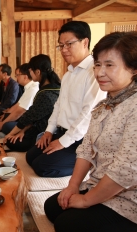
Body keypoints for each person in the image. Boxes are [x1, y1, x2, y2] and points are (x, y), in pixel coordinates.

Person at [44, 31, 137, 232]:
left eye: (109, 65)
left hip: (129, 197)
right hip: (99, 185)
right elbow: (85, 149)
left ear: (133, 69)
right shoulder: (103, 107)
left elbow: (127, 170)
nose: (100, 72)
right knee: (53, 207)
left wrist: (86, 201)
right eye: (97, 64)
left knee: (67, 227)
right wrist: (73, 186)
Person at [26, 21, 106, 177]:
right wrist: (49, 132)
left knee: (41, 167)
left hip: (80, 140)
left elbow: (88, 114)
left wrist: (63, 142)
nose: (64, 50)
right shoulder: (69, 74)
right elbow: (58, 105)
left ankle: (87, 164)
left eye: (69, 44)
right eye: (61, 46)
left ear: (85, 42)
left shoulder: (93, 72)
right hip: (62, 132)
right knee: (30, 156)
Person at [3, 54, 60, 152]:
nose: (29, 73)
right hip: (36, 125)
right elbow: (33, 114)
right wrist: (23, 130)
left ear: (37, 72)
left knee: (10, 140)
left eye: (30, 70)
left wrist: (11, 134)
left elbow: (29, 116)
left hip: (44, 131)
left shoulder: (45, 94)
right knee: (13, 132)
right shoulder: (52, 86)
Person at [0, 63, 39, 134]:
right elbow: (18, 105)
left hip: (30, 123)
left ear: (25, 77)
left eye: (17, 75)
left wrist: (2, 123)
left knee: (6, 126)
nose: (16, 77)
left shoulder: (33, 89)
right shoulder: (28, 87)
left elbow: (19, 112)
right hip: (23, 118)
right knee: (4, 116)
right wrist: (5, 115)